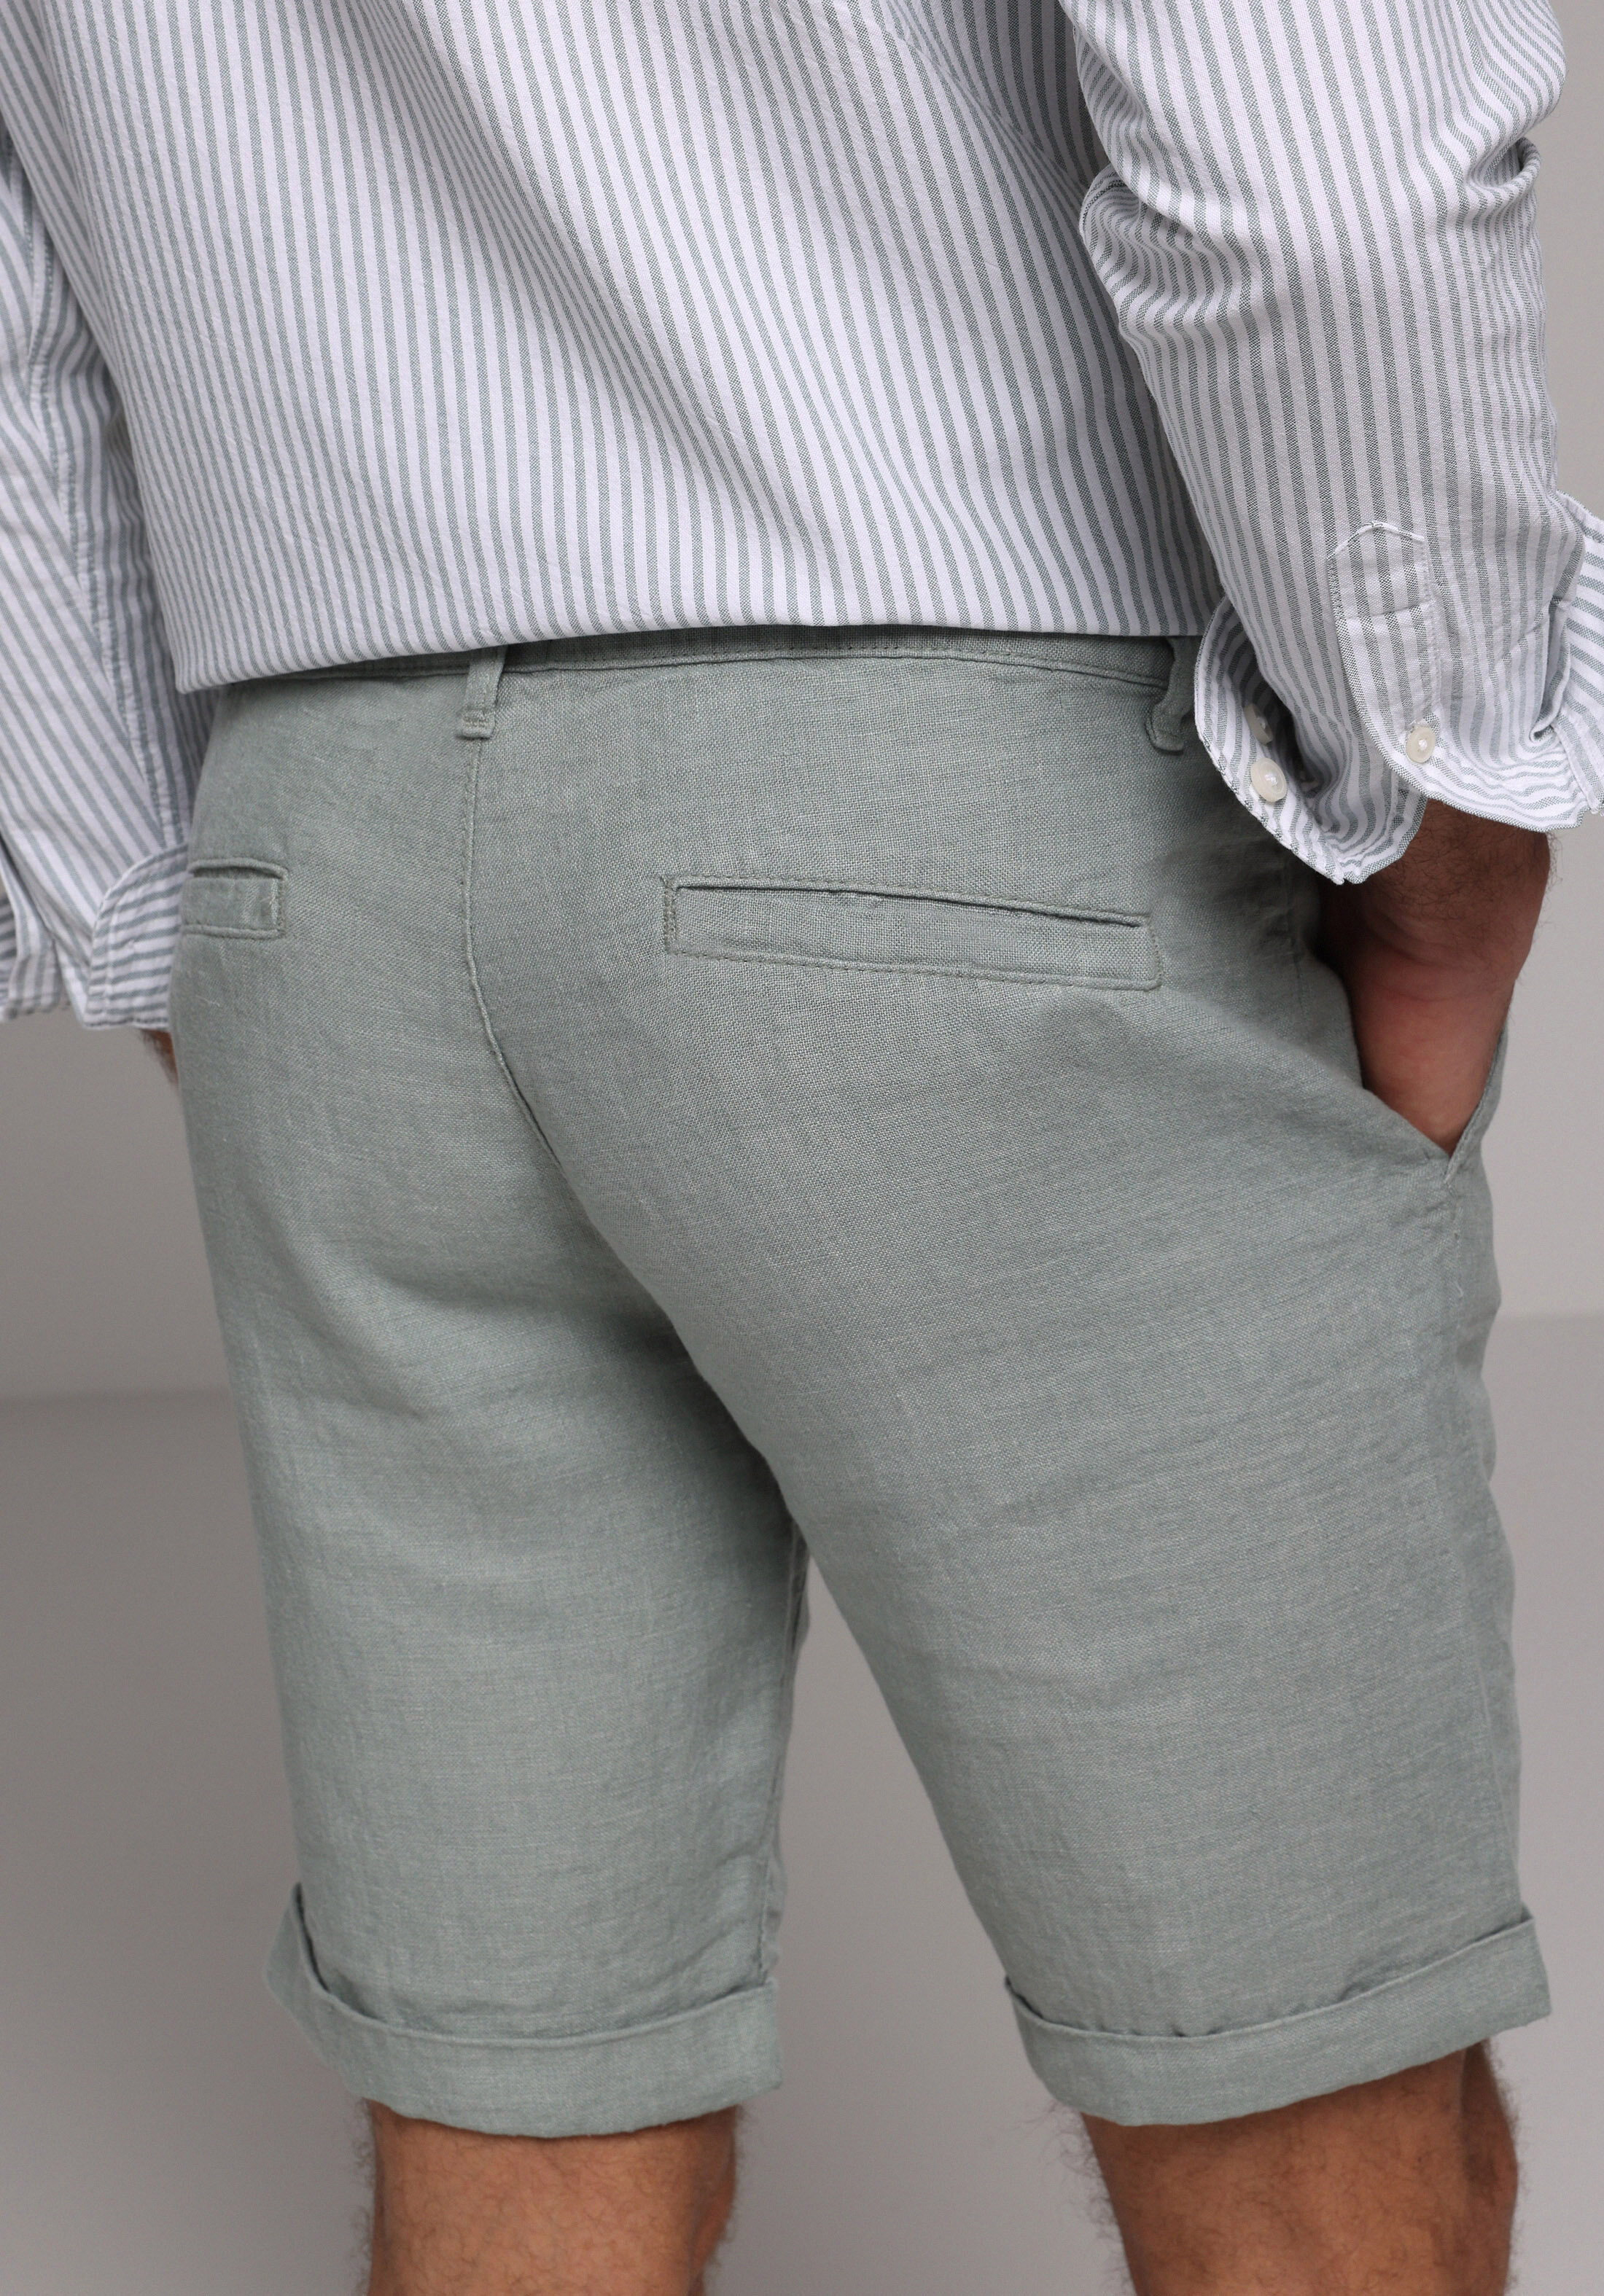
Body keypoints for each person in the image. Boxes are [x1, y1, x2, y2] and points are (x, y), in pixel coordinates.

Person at [1, 0, 1597, 2287]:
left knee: (515, 2092)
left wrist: (174, 920)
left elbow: (19, 303)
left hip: (326, 844)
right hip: (966, 796)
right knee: (1307, 2101)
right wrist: (1447, 789)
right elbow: (1313, 184)